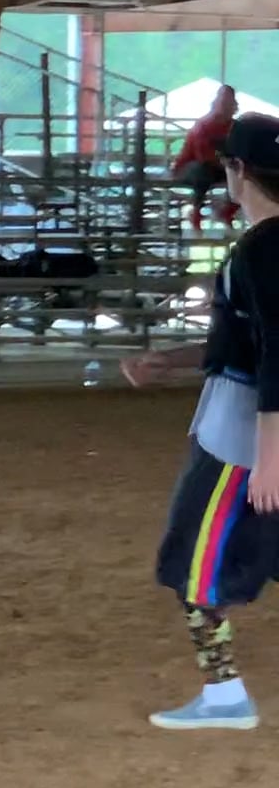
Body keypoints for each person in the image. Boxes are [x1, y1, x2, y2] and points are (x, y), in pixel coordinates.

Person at [121, 112, 279, 732]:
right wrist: (176, 360)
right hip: (247, 421)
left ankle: (225, 695)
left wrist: (270, 453)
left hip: (242, 434)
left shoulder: (263, 248)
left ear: (238, 172)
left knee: (194, 559)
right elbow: (249, 340)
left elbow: (275, 353)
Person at [174, 84, 238, 232]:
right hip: (189, 167)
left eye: (229, 103)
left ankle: (228, 212)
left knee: (245, 174)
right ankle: (196, 213)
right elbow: (203, 154)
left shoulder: (234, 127)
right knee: (202, 172)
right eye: (223, 102)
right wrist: (224, 161)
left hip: (220, 166)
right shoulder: (203, 125)